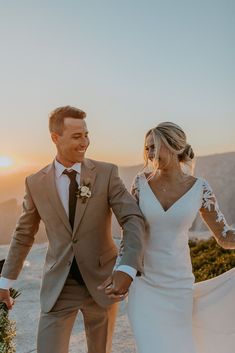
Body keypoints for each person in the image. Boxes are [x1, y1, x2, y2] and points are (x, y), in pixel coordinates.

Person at [0, 106, 145, 353]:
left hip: (104, 283)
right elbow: (24, 234)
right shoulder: (35, 183)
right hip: (59, 286)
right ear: (55, 138)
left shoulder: (106, 173)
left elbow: (132, 218)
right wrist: (4, 281)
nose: (85, 142)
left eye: (87, 135)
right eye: (77, 136)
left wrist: (127, 267)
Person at [124, 122, 235, 353]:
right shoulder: (140, 183)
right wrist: (122, 269)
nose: (151, 154)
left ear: (174, 146)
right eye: (148, 149)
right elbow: (131, 232)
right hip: (143, 285)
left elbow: (224, 237)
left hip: (178, 286)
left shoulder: (200, 188)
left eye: (155, 146)